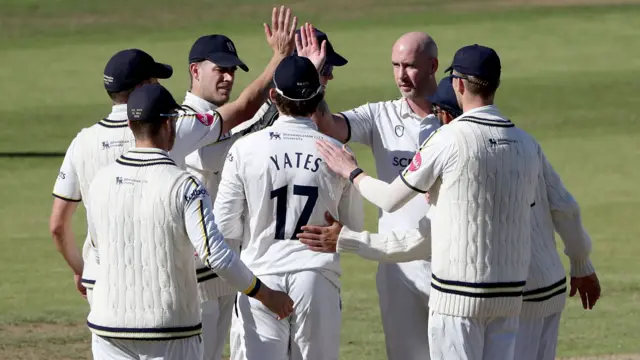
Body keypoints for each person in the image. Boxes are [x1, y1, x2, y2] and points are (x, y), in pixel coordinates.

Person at [300, 76, 601, 360]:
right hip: (546, 289)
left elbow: (417, 240)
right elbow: (566, 208)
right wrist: (581, 264)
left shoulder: (455, 158)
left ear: (448, 115)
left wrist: (349, 237)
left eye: (440, 113)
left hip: (508, 297)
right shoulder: (521, 145)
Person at [85, 83, 294, 360]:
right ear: (170, 124)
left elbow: (97, 253)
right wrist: (265, 294)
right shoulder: (184, 185)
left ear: (130, 123)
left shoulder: (101, 181)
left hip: (107, 328)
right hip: (168, 331)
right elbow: (216, 255)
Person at [181, 26, 349, 360]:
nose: (228, 77)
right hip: (202, 276)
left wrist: (296, 85)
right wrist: (296, 82)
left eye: (232, 70)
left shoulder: (247, 144)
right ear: (195, 70)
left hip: (239, 272)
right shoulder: (187, 124)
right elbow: (235, 129)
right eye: (323, 73)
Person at [297, 29, 441, 360]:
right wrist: (313, 77)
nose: (401, 76)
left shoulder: (455, 116)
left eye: (410, 66)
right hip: (396, 266)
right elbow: (327, 126)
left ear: (432, 65)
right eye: (395, 65)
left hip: (450, 261)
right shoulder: (381, 114)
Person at [49, 48, 173, 306]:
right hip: (158, 280)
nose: (159, 86)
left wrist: (81, 269)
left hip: (101, 279)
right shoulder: (166, 131)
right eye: (154, 81)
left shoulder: (82, 142)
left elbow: (58, 226)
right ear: (141, 87)